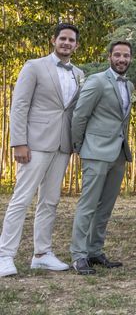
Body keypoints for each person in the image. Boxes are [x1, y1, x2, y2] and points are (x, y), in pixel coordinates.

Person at [0, 23, 83, 278]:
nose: (67, 43)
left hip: (63, 145)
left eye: (71, 40)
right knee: (21, 199)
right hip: (35, 143)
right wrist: (19, 142)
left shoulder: (79, 73)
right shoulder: (34, 66)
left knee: (50, 200)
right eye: (63, 39)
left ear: (76, 45)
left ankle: (42, 254)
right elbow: (20, 106)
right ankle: (4, 254)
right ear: (53, 40)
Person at [69, 41, 134, 275]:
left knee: (105, 207)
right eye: (117, 55)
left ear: (130, 59)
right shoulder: (97, 81)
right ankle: (78, 255)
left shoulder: (129, 85)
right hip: (95, 152)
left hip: (118, 153)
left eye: (126, 56)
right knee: (88, 205)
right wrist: (78, 146)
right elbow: (80, 115)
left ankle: (95, 250)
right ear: (109, 57)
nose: (121, 59)